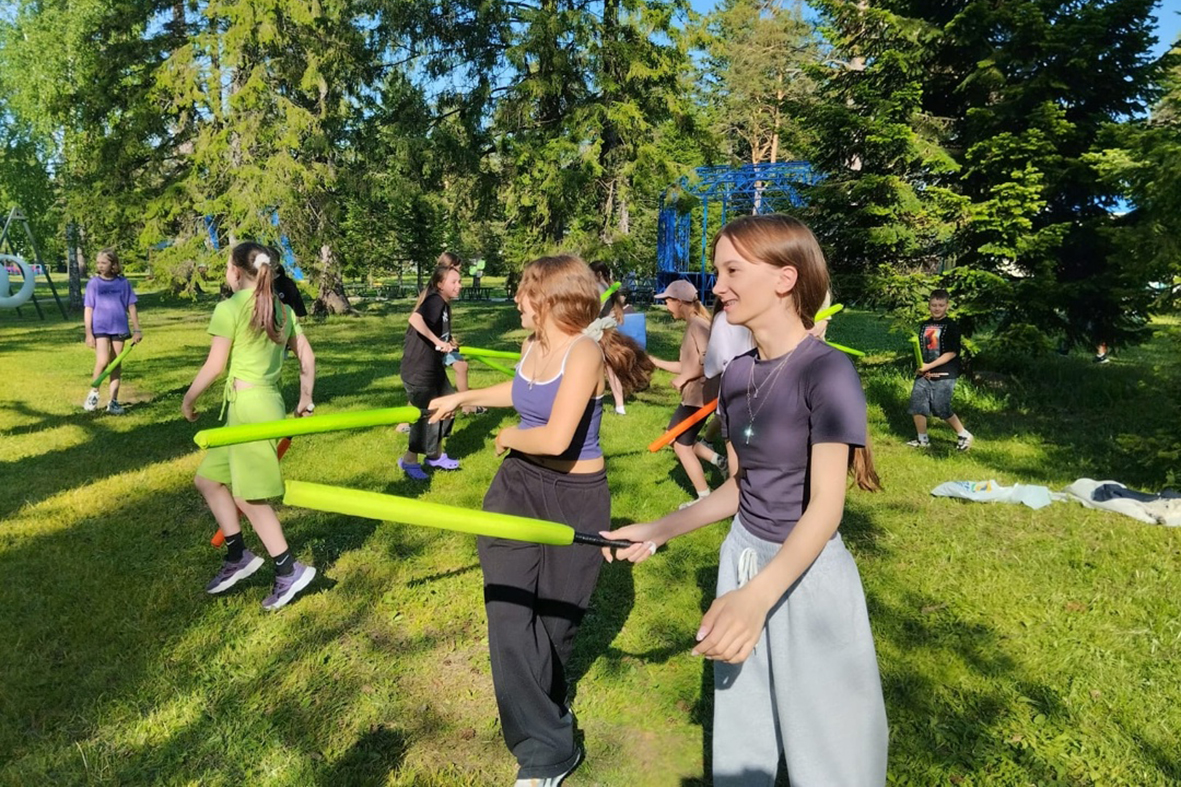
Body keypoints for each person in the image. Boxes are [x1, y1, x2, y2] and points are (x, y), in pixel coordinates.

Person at [603, 214, 888, 786]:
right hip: (741, 560)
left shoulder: (827, 371)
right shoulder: (735, 375)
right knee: (743, 734)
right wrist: (657, 529)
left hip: (807, 572)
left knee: (832, 748)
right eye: (718, 272)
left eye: (732, 271)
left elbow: (826, 508)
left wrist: (757, 598)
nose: (718, 286)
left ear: (785, 278)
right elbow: (740, 488)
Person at [428, 255, 652, 787]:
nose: (515, 299)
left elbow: (554, 438)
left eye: (524, 291)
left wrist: (507, 436)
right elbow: (521, 391)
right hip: (516, 489)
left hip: (574, 498)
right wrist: (465, 396)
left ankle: (545, 703)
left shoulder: (584, 353)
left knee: (553, 626)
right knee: (509, 616)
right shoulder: (533, 346)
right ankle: (549, 751)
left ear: (550, 298)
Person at [182, 242, 317, 611]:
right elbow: (306, 353)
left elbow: (215, 366)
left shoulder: (229, 308)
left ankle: (289, 570)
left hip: (251, 411)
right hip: (254, 407)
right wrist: (305, 397)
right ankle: (238, 554)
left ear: (237, 271)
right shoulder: (282, 309)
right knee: (209, 480)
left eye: (228, 266)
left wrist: (188, 400)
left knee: (249, 495)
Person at [648, 279, 727, 508]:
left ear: (679, 301)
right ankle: (720, 461)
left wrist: (684, 378)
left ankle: (704, 497)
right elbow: (685, 366)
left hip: (700, 398)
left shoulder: (697, 326)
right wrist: (654, 361)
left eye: (667, 302)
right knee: (678, 439)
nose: (666, 307)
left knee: (680, 444)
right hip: (695, 396)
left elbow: (711, 362)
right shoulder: (693, 324)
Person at [399, 264, 464, 479]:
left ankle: (435, 455)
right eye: (454, 282)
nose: (459, 285)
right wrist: (437, 341)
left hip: (433, 368)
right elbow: (415, 319)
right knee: (426, 415)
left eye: (459, 281)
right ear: (439, 284)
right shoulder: (435, 300)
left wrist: (448, 342)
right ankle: (409, 460)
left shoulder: (443, 305)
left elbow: (437, 331)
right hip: (419, 370)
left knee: (449, 405)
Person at [907, 288, 973, 450]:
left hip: (945, 373)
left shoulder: (951, 326)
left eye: (941, 305)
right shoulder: (925, 325)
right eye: (934, 305)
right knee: (917, 404)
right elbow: (923, 349)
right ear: (929, 305)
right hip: (925, 372)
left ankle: (964, 434)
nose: (937, 308)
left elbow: (952, 353)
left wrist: (929, 366)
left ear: (947, 306)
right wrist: (921, 367)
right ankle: (922, 440)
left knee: (940, 406)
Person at [83, 249, 142, 414]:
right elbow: (88, 308)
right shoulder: (94, 283)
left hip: (119, 327)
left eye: (104, 263)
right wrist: (88, 333)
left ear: (113, 264)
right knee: (102, 361)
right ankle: (94, 393)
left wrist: (137, 330)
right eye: (98, 263)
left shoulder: (123, 283)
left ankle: (113, 401)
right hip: (100, 328)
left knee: (115, 363)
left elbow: (131, 306)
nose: (100, 266)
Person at [589, 261, 628, 414]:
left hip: (600, 333)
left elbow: (593, 311)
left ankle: (591, 401)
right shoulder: (611, 287)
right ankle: (620, 406)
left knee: (597, 368)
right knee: (610, 369)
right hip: (610, 331)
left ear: (598, 274)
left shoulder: (600, 288)